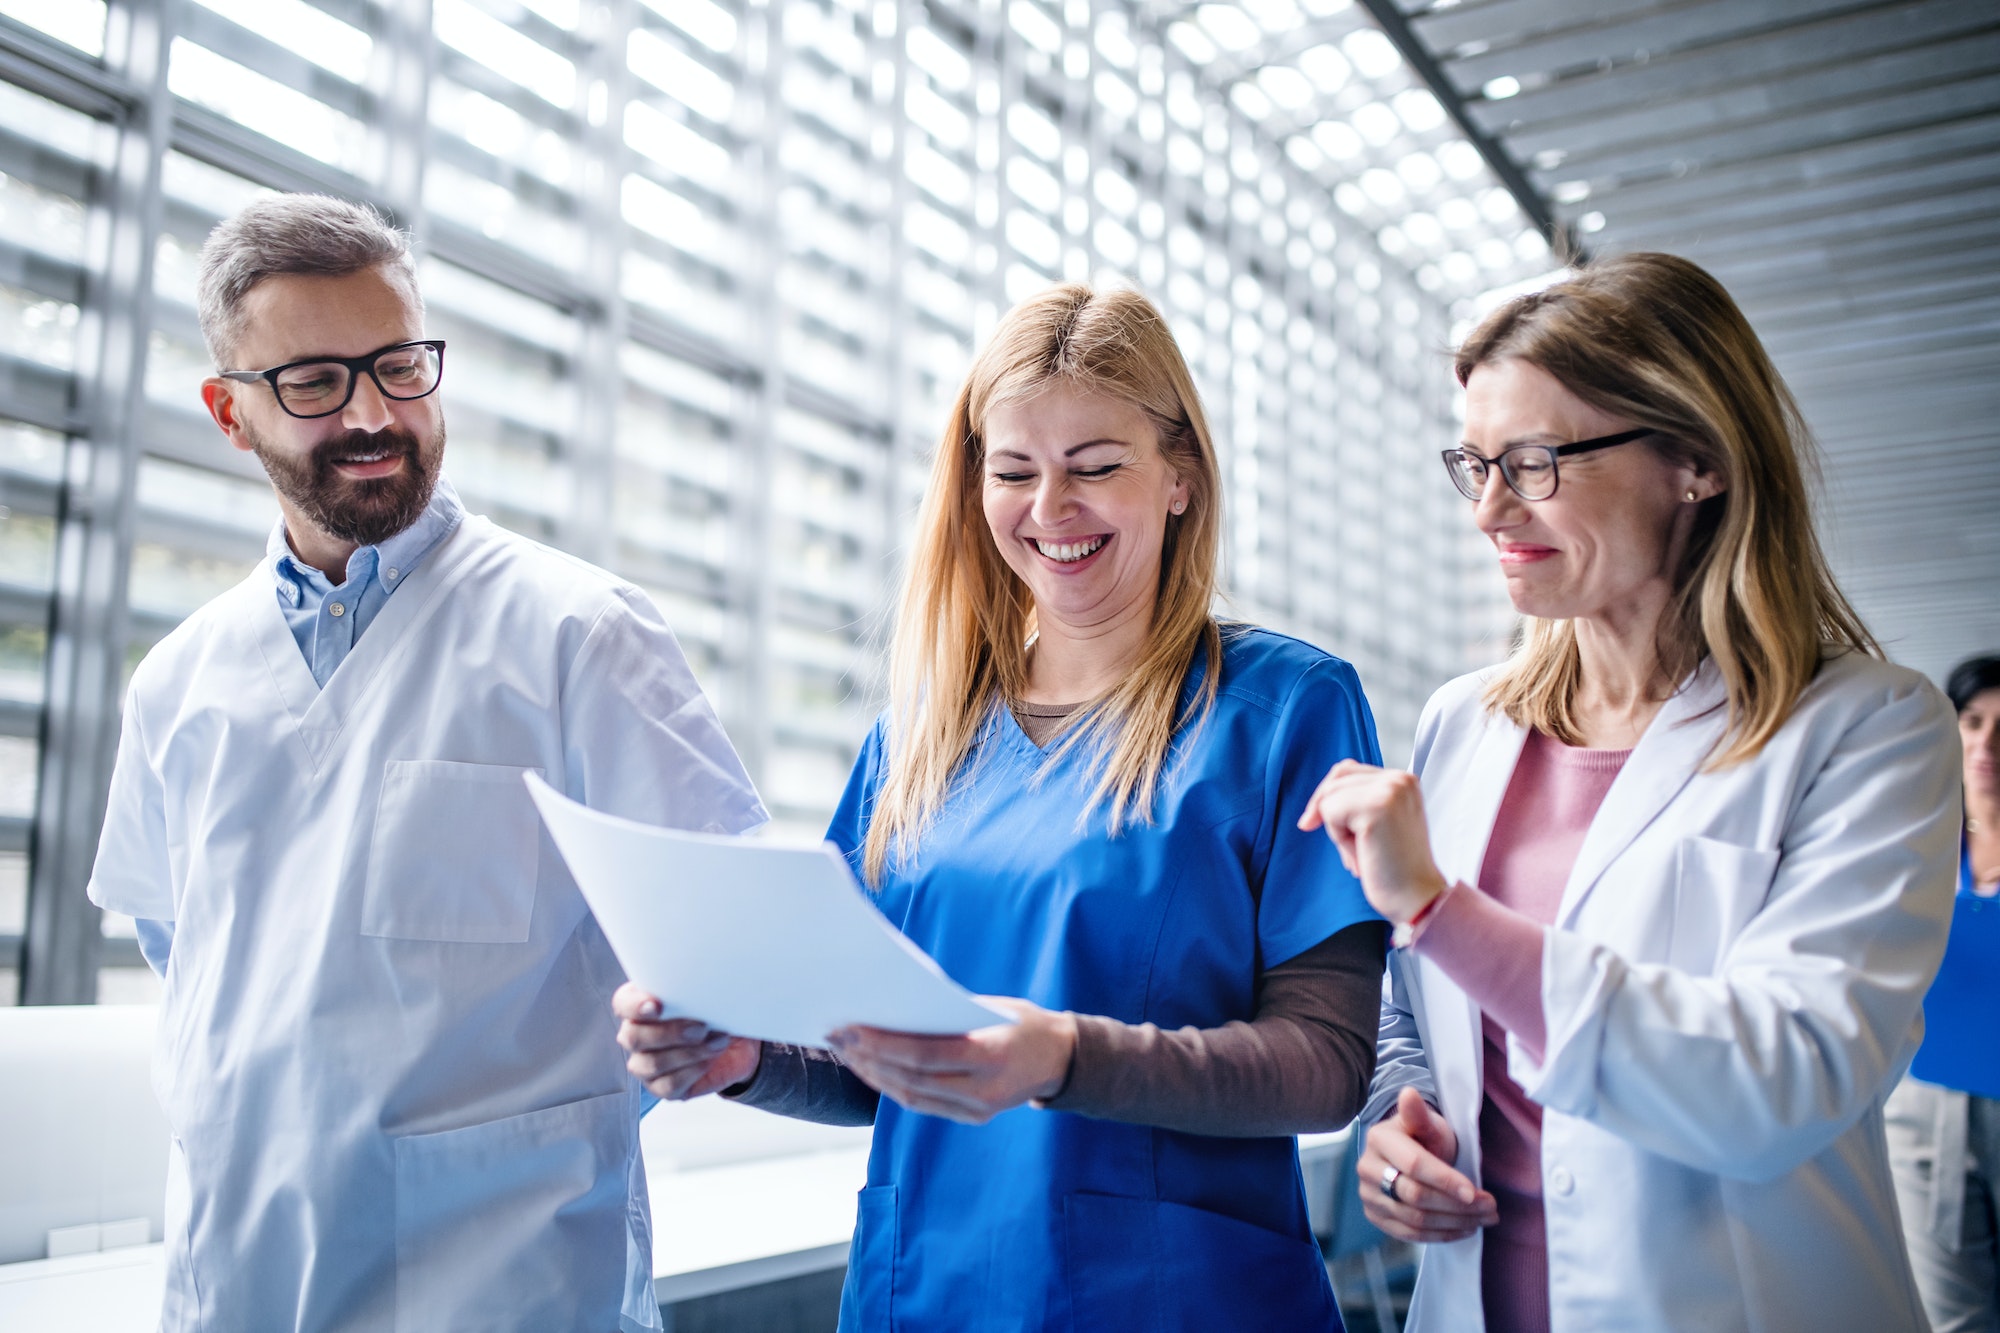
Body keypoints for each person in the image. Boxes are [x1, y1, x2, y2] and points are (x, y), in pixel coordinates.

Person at [614, 284, 1387, 1331]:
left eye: (1095, 466)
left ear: (1179, 480)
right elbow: (869, 1060)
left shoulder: (1282, 710)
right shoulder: (918, 739)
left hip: (1170, 1298)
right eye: (1013, 471)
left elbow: (1327, 1065)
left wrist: (1064, 1055)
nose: (1048, 509)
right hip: (924, 1291)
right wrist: (743, 1059)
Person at [87, 195, 764, 1333]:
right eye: (312, 382)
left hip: (509, 1291)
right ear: (227, 411)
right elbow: (200, 975)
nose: (371, 413)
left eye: (398, 366)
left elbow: (734, 944)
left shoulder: (579, 636)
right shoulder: (178, 683)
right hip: (235, 1285)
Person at [1298, 252, 1961, 1332]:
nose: (1489, 512)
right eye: (1474, 466)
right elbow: (1415, 1015)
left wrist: (1436, 909)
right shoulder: (1464, 723)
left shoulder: (1866, 732)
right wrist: (1392, 1125)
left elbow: (1781, 1080)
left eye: (1534, 462)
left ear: (1694, 461)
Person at [1888, 654, 2000, 1333]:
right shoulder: (1916, 840)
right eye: (1974, 722)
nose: (1987, 746)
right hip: (1926, 1115)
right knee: (1956, 1317)